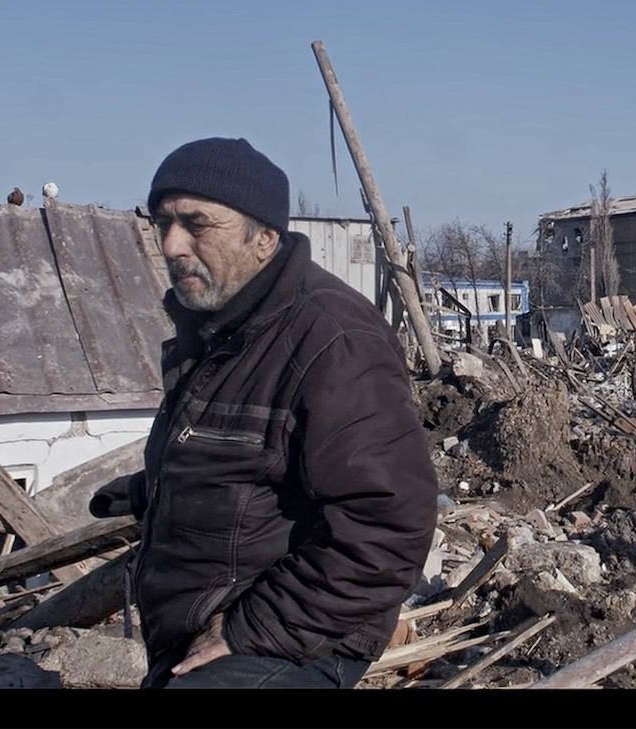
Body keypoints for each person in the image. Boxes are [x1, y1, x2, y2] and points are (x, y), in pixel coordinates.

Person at [88, 136, 437, 689]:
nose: (172, 245)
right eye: (162, 223)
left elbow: (389, 528)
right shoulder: (215, 328)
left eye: (196, 224)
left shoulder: (333, 340)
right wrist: (151, 489)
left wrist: (248, 630)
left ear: (264, 238)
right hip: (204, 617)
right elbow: (251, 457)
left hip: (299, 630)